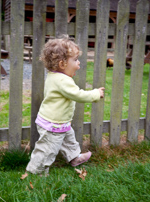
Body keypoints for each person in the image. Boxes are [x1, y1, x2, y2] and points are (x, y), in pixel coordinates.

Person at [26, 35, 105, 175]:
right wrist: (95, 94)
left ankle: (74, 157)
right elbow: (78, 95)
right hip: (53, 124)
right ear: (62, 64)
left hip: (58, 122)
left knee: (69, 138)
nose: (79, 63)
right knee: (47, 150)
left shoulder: (54, 76)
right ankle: (35, 172)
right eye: (75, 60)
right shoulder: (62, 80)